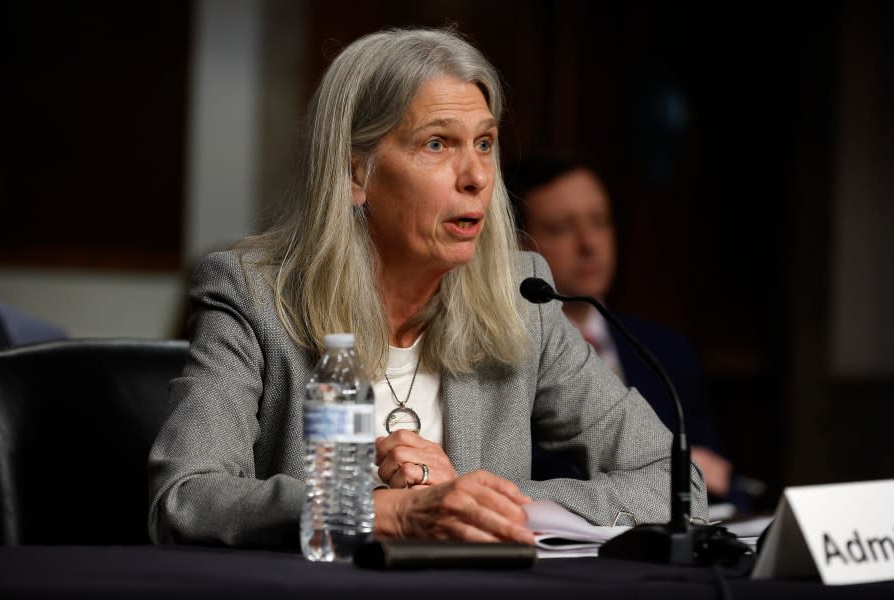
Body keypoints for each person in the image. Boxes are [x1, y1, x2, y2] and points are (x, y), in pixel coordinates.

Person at [148, 28, 706, 550]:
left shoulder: (521, 297)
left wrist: (483, 500)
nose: (476, 176)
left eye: (484, 144)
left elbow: (678, 484)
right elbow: (185, 498)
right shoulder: (254, 295)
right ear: (354, 175)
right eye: (437, 144)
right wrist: (382, 512)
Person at [505, 155, 735, 502]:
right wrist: (657, 475)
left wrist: (689, 476)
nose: (589, 245)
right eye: (561, 228)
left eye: (600, 222)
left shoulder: (667, 350)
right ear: (518, 244)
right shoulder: (502, 353)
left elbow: (718, 477)